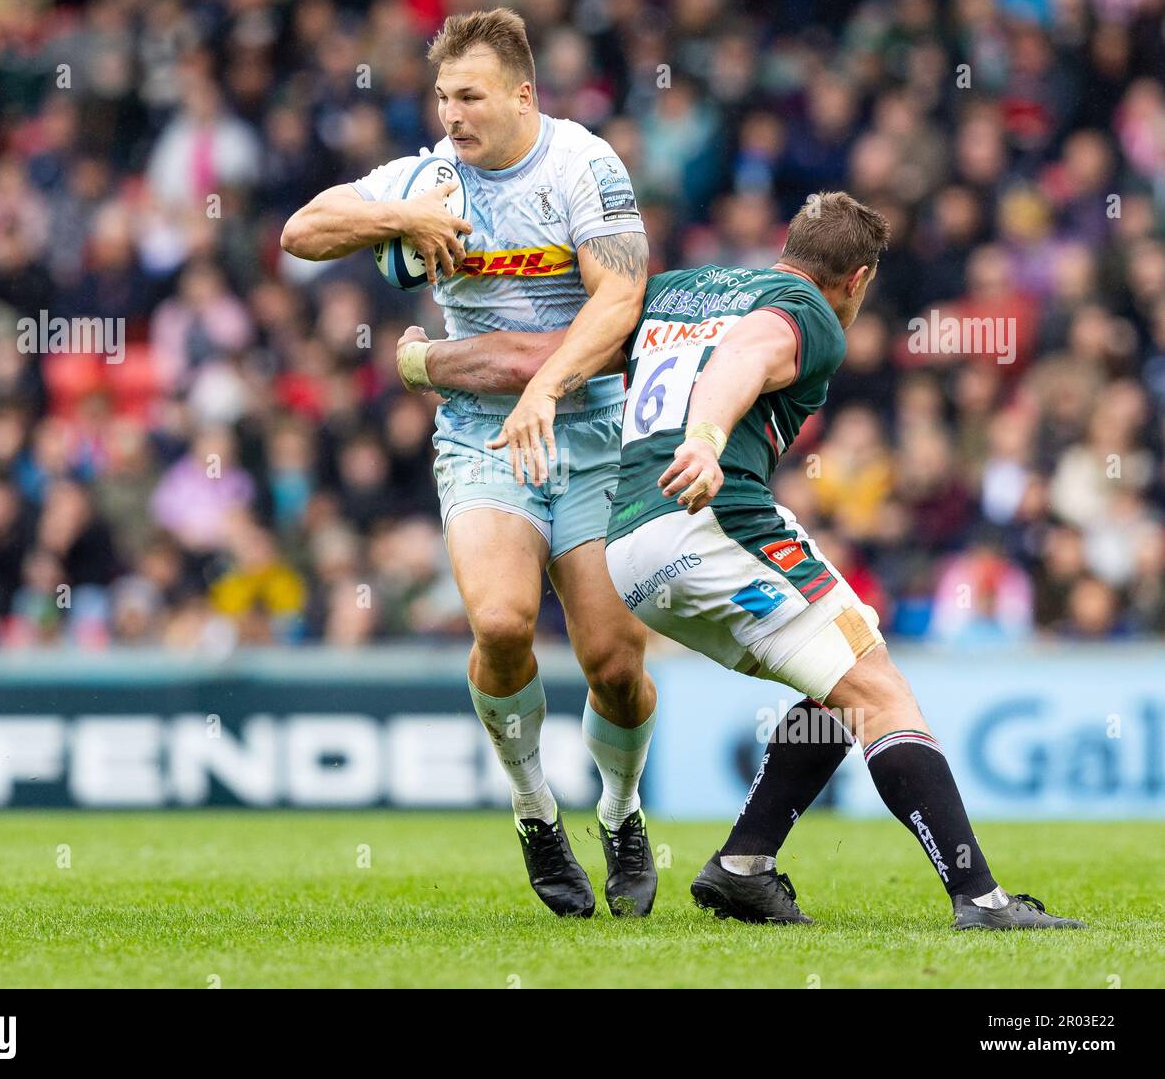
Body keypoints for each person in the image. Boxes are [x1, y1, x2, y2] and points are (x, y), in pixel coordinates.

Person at [406, 191, 1083, 931]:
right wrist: (703, 437)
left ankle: (744, 866)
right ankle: (980, 899)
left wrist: (426, 359)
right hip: (709, 520)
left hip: (626, 546)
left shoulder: (672, 291)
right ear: (856, 279)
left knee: (839, 679)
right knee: (881, 692)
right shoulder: (809, 312)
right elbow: (745, 354)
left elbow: (549, 356)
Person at [283, 8, 659, 918]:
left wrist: (546, 386)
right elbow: (300, 232)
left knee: (613, 660)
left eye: (471, 96)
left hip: (595, 424)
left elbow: (622, 299)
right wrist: (398, 214)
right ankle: (535, 811)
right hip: (484, 434)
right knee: (498, 621)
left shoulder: (583, 165)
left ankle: (620, 810)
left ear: (523, 95)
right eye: (443, 95)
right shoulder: (428, 177)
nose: (452, 113)